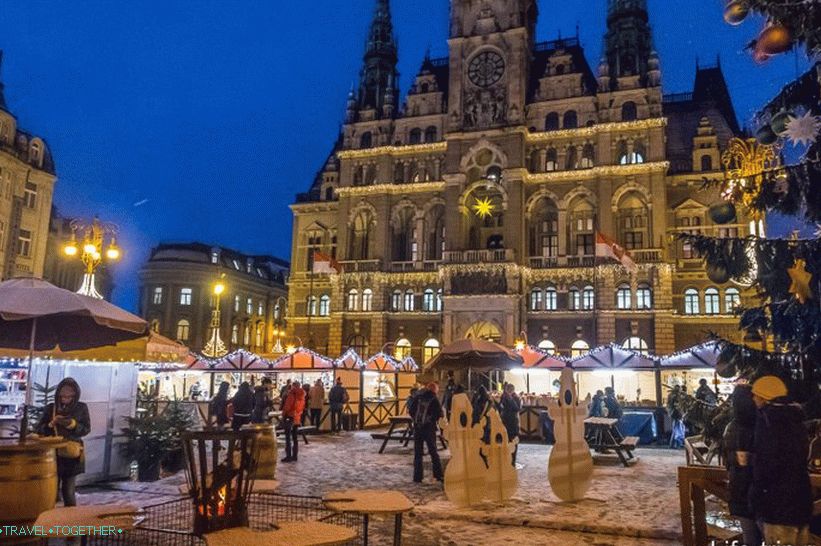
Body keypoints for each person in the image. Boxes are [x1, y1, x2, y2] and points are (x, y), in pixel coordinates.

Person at [749, 375, 812, 544]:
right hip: (800, 502)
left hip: (776, 505)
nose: (753, 398)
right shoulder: (796, 419)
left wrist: (756, 497)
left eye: (755, 394)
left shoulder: (769, 421)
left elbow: (766, 464)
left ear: (764, 397)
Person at [35, 378, 90, 507]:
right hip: (52, 454)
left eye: (69, 396)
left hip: (72, 453)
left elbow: (86, 429)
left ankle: (69, 520)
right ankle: (51, 519)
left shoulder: (81, 408)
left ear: (75, 396)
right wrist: (50, 424)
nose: (66, 399)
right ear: (58, 395)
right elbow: (39, 429)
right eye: (63, 396)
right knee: (51, 489)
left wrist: (72, 424)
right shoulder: (51, 408)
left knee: (68, 490)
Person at [723, 382, 761, 546]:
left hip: (739, 492)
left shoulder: (731, 428)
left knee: (750, 538)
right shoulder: (761, 424)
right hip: (761, 493)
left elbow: (727, 461)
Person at [408, 382, 444, 483]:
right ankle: (438, 474)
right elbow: (440, 413)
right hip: (429, 428)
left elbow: (411, 411)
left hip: (418, 428)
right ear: (434, 390)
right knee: (433, 452)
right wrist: (432, 420)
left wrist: (416, 420)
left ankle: (417, 477)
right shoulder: (433, 398)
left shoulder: (418, 397)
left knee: (418, 453)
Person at [281, 382, 306, 463]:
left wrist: (283, 415)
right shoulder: (302, 396)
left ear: (293, 386)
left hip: (290, 417)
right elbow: (301, 408)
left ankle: (288, 456)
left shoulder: (292, 394)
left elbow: (287, 407)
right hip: (296, 418)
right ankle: (295, 456)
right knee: (295, 438)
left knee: (288, 437)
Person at [499, 383, 522, 465]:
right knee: (505, 440)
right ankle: (506, 459)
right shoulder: (503, 397)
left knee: (514, 441)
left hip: (513, 422)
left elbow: (517, 408)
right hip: (505, 421)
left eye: (509, 389)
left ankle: (513, 460)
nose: (508, 391)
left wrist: (510, 399)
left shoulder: (516, 398)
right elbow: (501, 406)